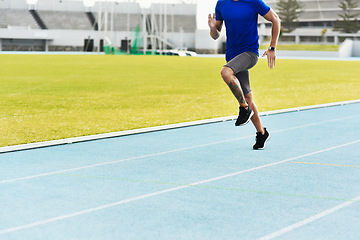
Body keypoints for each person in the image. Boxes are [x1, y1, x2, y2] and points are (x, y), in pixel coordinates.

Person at [208, 0, 280, 150]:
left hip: (250, 52)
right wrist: (213, 27)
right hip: (232, 56)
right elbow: (216, 35)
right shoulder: (222, 3)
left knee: (226, 72)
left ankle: (244, 108)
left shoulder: (253, 1)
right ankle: (261, 133)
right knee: (248, 97)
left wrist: (272, 47)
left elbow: (275, 19)